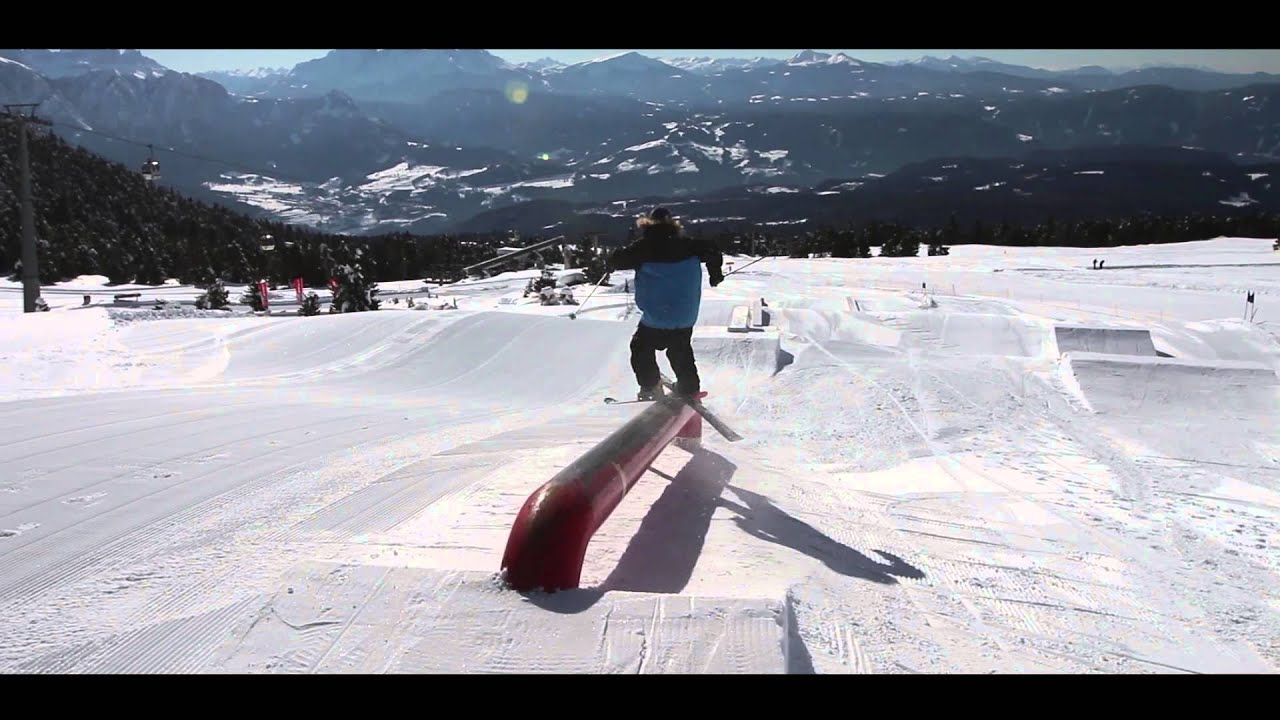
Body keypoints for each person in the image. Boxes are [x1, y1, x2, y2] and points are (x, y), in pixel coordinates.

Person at [607, 207, 724, 401]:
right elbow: (712, 250)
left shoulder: (642, 248)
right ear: (674, 226)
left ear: (647, 224)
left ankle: (650, 387)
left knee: (641, 347)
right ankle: (689, 388)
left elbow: (616, 260)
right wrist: (715, 274)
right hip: (686, 315)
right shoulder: (692, 246)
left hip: (657, 316)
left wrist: (612, 261)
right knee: (680, 349)